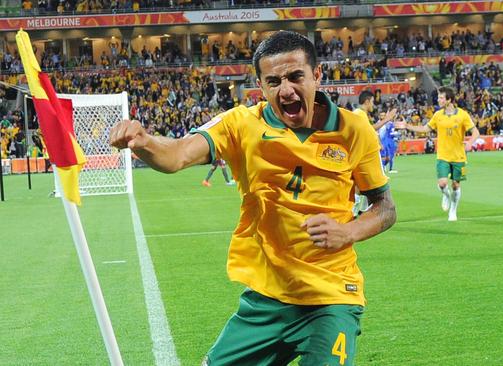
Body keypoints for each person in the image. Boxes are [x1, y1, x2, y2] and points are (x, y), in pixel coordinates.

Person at [109, 31, 396, 365]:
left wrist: (348, 232)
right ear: (261, 86)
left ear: (317, 76)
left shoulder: (353, 129)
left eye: (295, 77)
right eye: (273, 81)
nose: (285, 90)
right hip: (267, 298)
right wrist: (144, 142)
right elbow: (179, 154)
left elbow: (385, 208)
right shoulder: (241, 124)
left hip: (331, 297)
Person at [402, 86, 480, 221]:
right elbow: (426, 128)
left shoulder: (462, 115)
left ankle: (453, 211)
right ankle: (445, 195)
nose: (438, 100)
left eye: (441, 97)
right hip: (443, 155)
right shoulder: (438, 115)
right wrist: (408, 126)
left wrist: (470, 143)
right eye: (438, 97)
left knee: (456, 185)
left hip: (459, 156)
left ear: (449, 100)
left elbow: (475, 132)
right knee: (443, 183)